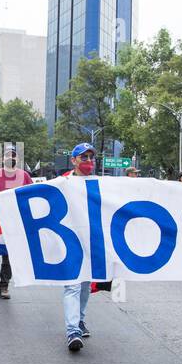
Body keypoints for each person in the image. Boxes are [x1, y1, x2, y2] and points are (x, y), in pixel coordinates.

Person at [0, 146, 33, 299]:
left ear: (18, 159)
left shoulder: (25, 176)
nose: (11, 158)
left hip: (15, 224)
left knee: (10, 255)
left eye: (14, 156)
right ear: (2, 159)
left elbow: (32, 196)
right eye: (8, 156)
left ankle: (4, 285)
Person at [62, 142, 98, 351]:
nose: (88, 161)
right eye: (83, 157)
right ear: (74, 160)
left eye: (91, 157)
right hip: (70, 241)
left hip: (91, 242)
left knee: (85, 286)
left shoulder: (100, 183)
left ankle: (80, 320)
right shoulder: (63, 183)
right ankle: (72, 331)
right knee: (73, 285)